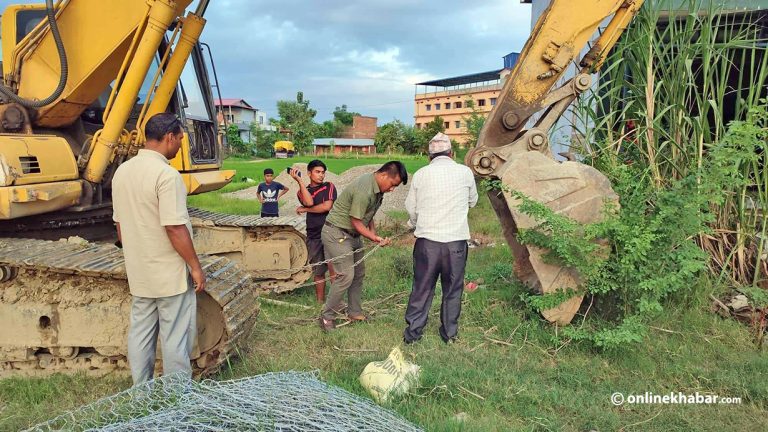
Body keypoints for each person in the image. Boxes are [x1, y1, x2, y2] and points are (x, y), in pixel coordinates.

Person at [112, 112, 207, 384]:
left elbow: (119, 225)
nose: (179, 144)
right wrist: (195, 266)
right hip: (168, 273)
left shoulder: (123, 171)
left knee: (141, 331)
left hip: (140, 270)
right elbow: (174, 227)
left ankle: (140, 390)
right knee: (175, 335)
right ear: (169, 137)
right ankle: (178, 394)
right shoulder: (166, 175)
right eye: (179, 138)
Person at [403, 132, 478, 344]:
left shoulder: (421, 174)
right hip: (456, 243)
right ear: (452, 153)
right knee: (453, 289)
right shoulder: (465, 173)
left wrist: (415, 223)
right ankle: (449, 335)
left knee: (422, 288)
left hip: (427, 243)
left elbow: (411, 208)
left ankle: (413, 335)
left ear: (429, 157)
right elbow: (472, 201)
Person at [318, 161, 408, 331]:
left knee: (358, 274)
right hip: (337, 233)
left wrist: (374, 234)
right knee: (345, 276)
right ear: (383, 175)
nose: (392, 189)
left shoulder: (378, 190)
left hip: (353, 234)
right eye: (392, 184)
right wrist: (374, 238)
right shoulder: (364, 188)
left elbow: (368, 215)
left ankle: (355, 312)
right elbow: (356, 220)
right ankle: (326, 316)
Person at [290, 160, 338, 302]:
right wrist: (299, 180)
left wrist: (305, 209)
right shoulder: (302, 192)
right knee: (318, 271)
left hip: (330, 233)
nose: (321, 175)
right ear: (309, 173)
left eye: (323, 172)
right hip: (314, 235)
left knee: (333, 269)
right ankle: (320, 302)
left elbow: (326, 207)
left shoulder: (329, 186)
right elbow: (309, 201)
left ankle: (335, 302)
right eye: (317, 172)